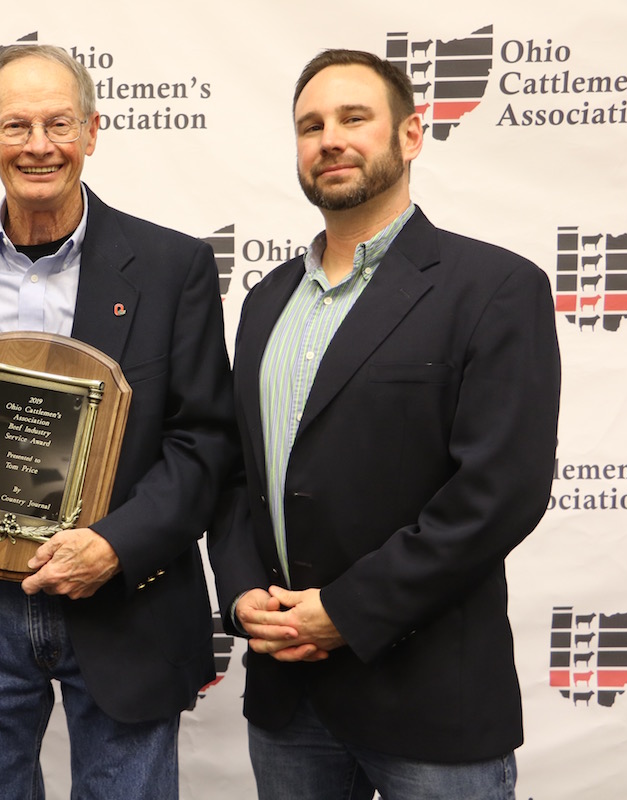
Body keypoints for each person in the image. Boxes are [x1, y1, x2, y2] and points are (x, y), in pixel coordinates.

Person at [207, 49, 561, 799]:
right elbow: (238, 473)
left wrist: (346, 611)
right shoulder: (266, 302)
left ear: (411, 135)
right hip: (287, 692)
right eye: (311, 126)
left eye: (353, 118)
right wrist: (240, 596)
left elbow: (500, 492)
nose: (330, 139)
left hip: (429, 699)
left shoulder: (496, 288)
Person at [0, 44, 234, 799]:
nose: (38, 145)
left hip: (123, 595)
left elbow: (205, 439)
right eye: (16, 126)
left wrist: (113, 546)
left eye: (59, 123)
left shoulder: (172, 266)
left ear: (92, 131)